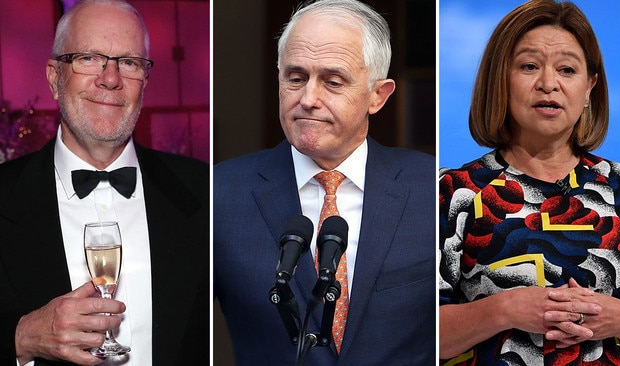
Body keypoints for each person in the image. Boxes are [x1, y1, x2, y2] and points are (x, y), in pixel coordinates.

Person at [213, 0, 435, 364]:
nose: (308, 99)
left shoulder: (431, 188)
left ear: (377, 96)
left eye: (332, 82)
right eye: (296, 78)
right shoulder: (220, 194)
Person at [439, 0, 620, 364]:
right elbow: (410, 336)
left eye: (567, 69)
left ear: (589, 88)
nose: (548, 84)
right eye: (529, 66)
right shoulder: (452, 192)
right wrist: (503, 309)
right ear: (500, 80)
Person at [0, 0, 209, 365]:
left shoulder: (206, 192)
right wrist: (19, 338)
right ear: (54, 77)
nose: (110, 78)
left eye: (128, 63)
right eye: (88, 58)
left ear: (145, 80)